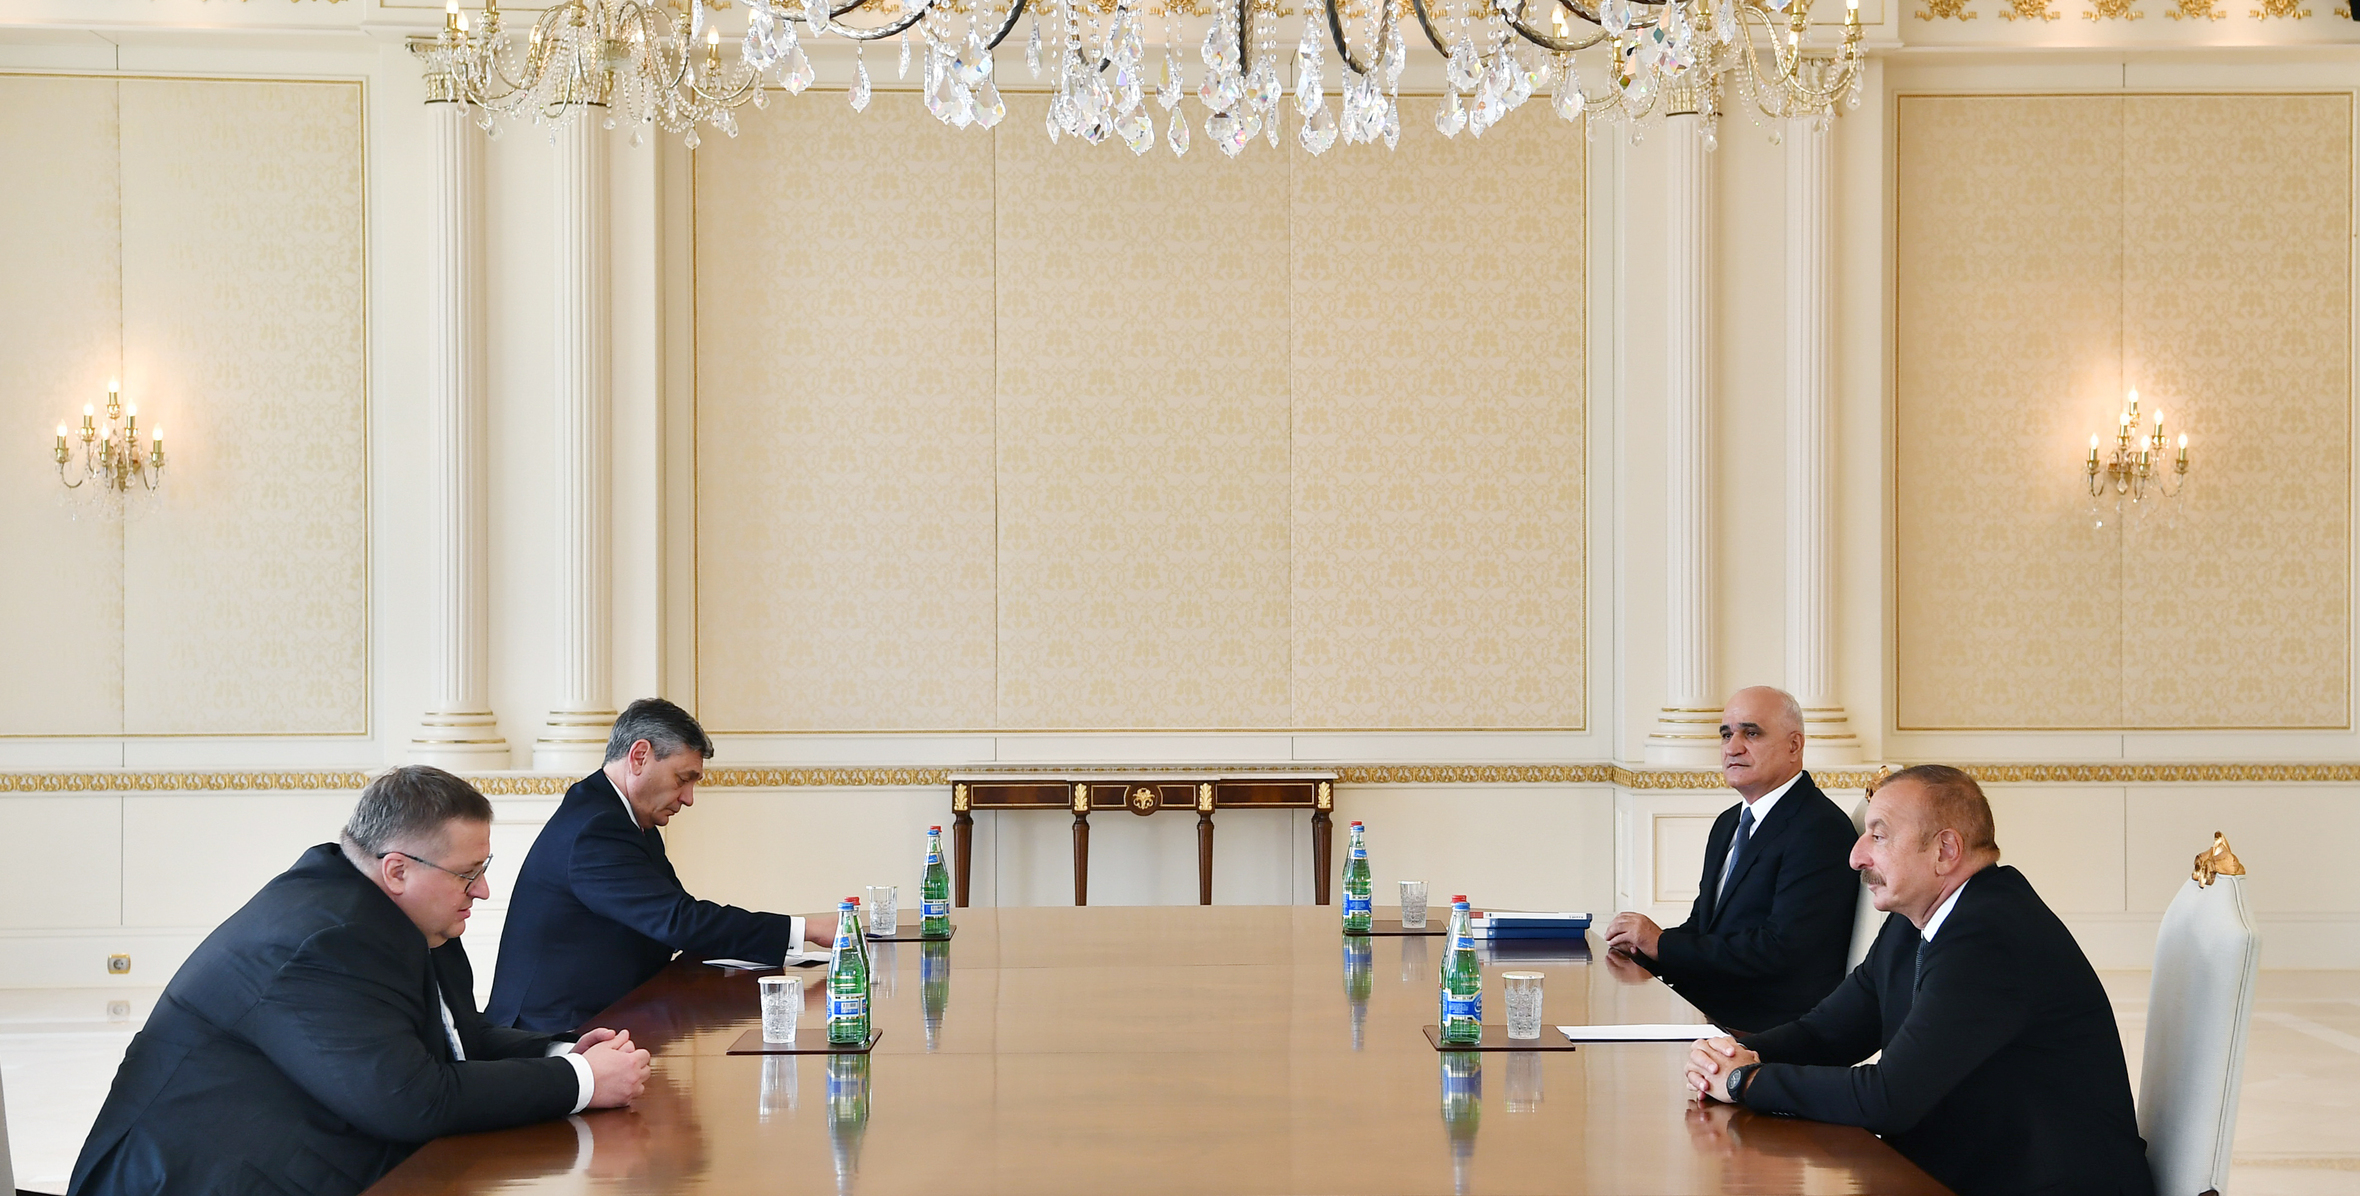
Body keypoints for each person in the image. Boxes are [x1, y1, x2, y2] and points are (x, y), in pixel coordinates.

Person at [70, 767, 651, 1196]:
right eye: (469, 873)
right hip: (192, 1181)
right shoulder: (327, 940)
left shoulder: (406, 915)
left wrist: (562, 1052)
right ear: (397, 870)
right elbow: (411, 1100)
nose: (482, 890)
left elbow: (455, 1039)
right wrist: (581, 1082)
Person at [1683, 765, 2153, 1196]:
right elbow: (1828, 1033)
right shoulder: (1916, 921)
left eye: (1878, 836)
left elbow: (1888, 1098)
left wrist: (1746, 1081)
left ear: (1945, 851)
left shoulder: (1991, 935)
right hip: (1962, 1171)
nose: (1856, 856)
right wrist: (1736, 1055)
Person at [489, 698, 806, 1033]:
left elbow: (679, 917)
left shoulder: (626, 817)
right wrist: (803, 930)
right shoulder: (597, 826)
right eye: (682, 779)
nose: (688, 798)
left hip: (608, 1016)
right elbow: (679, 922)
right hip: (553, 1033)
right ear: (639, 757)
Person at [1602, 686, 1860, 1031]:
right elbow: (1703, 929)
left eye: (1751, 733)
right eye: (1726, 734)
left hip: (1767, 1031)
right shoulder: (1728, 823)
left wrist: (1662, 944)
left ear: (1794, 745)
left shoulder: (1820, 828)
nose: (1732, 747)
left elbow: (1781, 952)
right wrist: (1645, 951)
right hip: (1709, 1011)